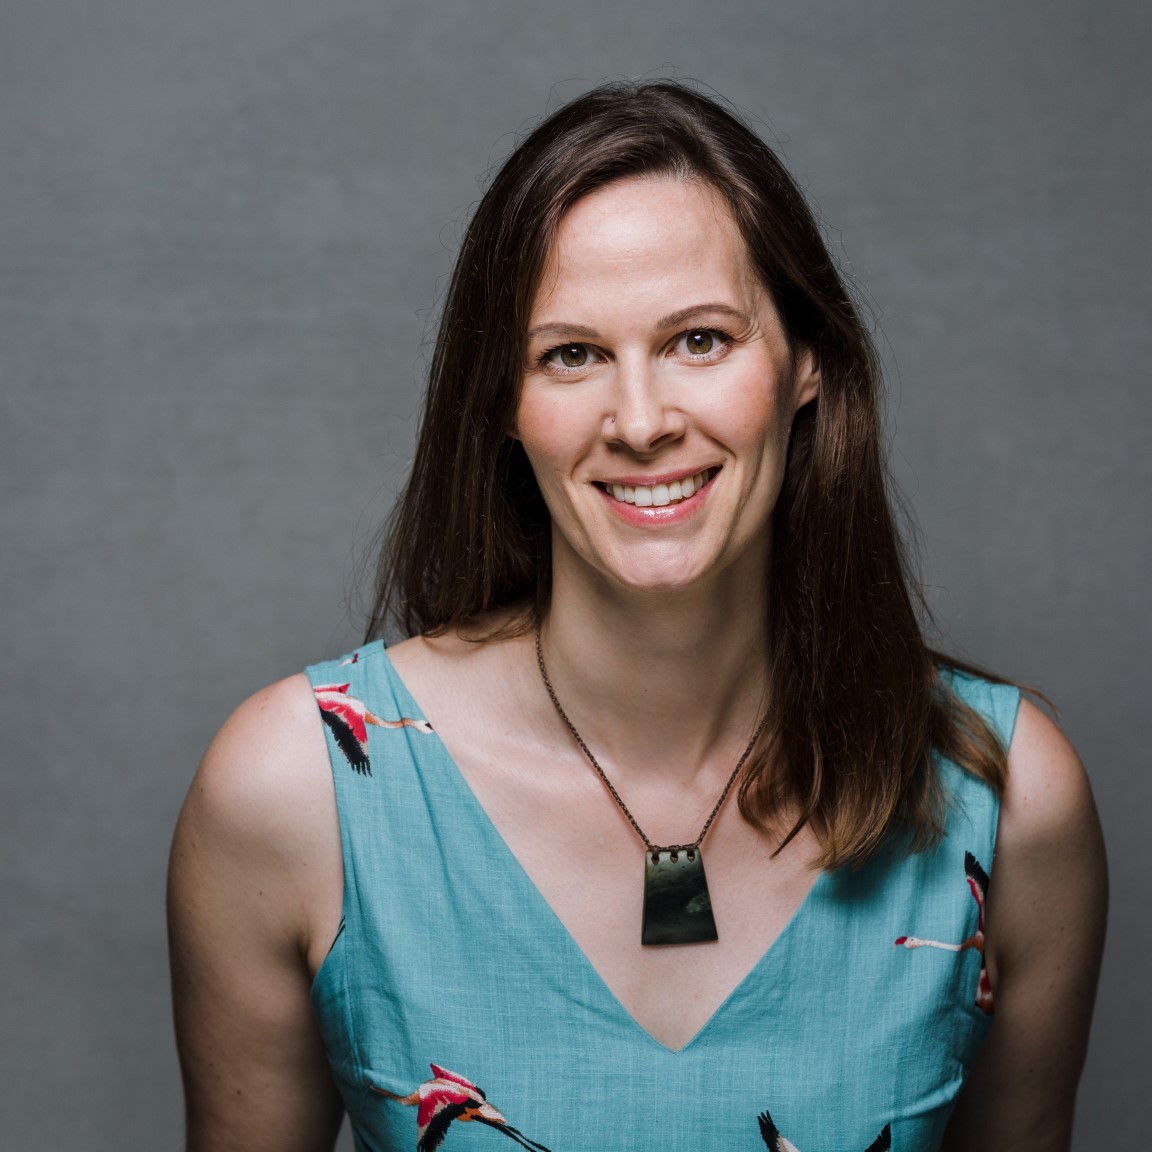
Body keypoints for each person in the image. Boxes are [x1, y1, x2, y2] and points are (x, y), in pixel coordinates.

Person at [168, 81, 1107, 1152]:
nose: (643, 420)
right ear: (504, 408)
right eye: (571, 354)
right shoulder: (294, 794)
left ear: (806, 364)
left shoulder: (1011, 800)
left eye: (699, 341)